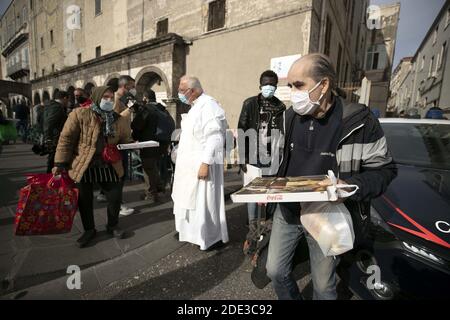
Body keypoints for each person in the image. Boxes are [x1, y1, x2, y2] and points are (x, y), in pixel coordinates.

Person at [265, 54, 397, 300]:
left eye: (299, 85)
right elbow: (282, 162)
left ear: (323, 84)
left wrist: (350, 186)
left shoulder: (359, 121)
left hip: (326, 215)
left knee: (324, 287)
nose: (293, 93)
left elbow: (385, 169)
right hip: (288, 211)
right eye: (290, 86)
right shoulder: (290, 117)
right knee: (275, 270)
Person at [52, 86, 132, 248]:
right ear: (96, 97)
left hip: (109, 164)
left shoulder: (118, 119)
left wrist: (130, 143)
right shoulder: (79, 114)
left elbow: (125, 138)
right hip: (84, 164)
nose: (109, 101)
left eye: (111, 98)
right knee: (84, 200)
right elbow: (66, 139)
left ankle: (112, 225)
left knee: (115, 197)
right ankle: (89, 230)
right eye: (105, 97)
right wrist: (60, 163)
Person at [171, 76, 229, 251]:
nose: (179, 93)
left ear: (193, 90)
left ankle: (210, 238)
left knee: (204, 203)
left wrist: (206, 163)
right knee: (191, 203)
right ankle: (196, 235)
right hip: (189, 167)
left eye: (182, 90)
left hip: (202, 165)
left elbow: (215, 136)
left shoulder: (208, 105)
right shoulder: (196, 106)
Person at [238, 70, 286, 255]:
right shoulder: (250, 104)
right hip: (253, 157)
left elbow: (283, 132)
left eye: (273, 85)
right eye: (266, 84)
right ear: (260, 85)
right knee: (252, 195)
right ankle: (252, 233)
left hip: (272, 158)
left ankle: (266, 232)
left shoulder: (280, 107)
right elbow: (242, 129)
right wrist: (242, 157)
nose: (269, 87)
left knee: (269, 194)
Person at [97, 76, 135, 217]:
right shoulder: (116, 100)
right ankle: (117, 205)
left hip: (123, 140)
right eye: (132, 86)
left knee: (118, 174)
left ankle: (110, 198)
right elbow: (112, 120)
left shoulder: (125, 99)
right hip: (115, 144)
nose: (133, 89)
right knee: (118, 174)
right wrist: (128, 112)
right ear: (125, 86)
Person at [131, 89, 165, 203]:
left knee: (148, 168)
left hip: (148, 143)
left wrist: (134, 137)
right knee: (154, 166)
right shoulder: (162, 108)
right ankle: (159, 187)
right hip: (162, 144)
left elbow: (136, 125)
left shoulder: (146, 109)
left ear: (145, 98)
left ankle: (151, 193)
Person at [43, 91, 70, 173]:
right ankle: (51, 180)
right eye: (67, 100)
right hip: (55, 137)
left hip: (53, 136)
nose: (68, 102)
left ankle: (51, 178)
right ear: (65, 98)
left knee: (53, 159)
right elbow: (49, 122)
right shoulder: (57, 107)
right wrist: (48, 138)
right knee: (54, 160)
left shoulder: (50, 106)